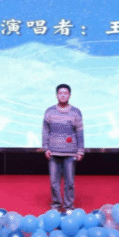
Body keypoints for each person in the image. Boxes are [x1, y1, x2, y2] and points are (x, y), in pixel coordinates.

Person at [42, 83, 84, 214]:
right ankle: (55, 205)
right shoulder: (49, 111)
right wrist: (46, 148)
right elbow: (45, 131)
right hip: (53, 152)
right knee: (54, 182)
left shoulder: (76, 112)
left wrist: (80, 150)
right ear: (56, 95)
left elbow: (79, 133)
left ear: (69, 95)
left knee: (69, 182)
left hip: (70, 153)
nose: (63, 95)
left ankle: (68, 207)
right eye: (60, 93)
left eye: (65, 93)